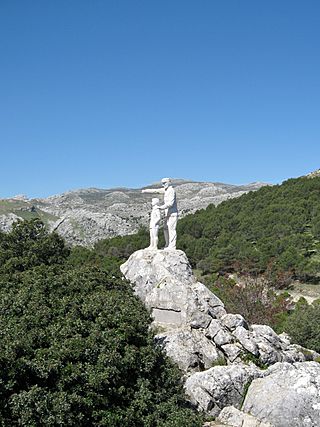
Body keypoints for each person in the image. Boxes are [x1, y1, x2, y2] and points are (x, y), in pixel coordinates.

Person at [142, 177, 178, 250]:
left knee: (171, 229)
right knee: (165, 228)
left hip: (173, 214)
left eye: (164, 183)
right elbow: (156, 191)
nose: (163, 184)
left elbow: (170, 203)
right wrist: (145, 191)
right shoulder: (165, 190)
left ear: (169, 182)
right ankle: (167, 244)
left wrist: (160, 207)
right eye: (162, 183)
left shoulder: (171, 191)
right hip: (167, 214)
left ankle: (172, 246)